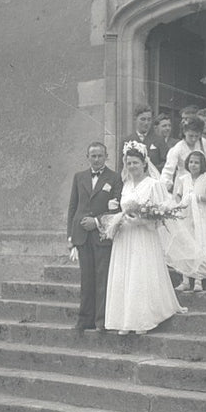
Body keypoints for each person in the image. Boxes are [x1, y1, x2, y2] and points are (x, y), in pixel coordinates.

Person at [104, 142, 184, 335]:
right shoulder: (126, 185)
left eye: (135, 163)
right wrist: (118, 215)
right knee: (126, 275)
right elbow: (124, 209)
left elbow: (161, 216)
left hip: (143, 236)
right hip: (125, 238)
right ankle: (125, 320)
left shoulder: (154, 185)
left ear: (144, 163)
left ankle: (142, 319)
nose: (132, 167)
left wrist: (141, 221)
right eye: (129, 163)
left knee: (140, 274)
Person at [66, 142, 123, 333]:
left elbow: (117, 209)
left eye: (100, 155)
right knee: (86, 278)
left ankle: (101, 321)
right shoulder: (79, 177)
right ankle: (84, 320)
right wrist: (70, 237)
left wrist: (97, 222)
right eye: (93, 156)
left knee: (102, 278)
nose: (96, 159)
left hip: (102, 234)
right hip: (82, 234)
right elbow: (73, 207)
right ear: (87, 157)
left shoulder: (114, 178)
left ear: (106, 156)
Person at [164, 151, 206, 292]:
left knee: (200, 245)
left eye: (197, 163)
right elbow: (179, 195)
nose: (193, 165)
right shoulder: (184, 179)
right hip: (186, 216)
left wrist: (198, 198)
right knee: (186, 245)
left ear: (202, 165)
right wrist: (179, 204)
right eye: (191, 162)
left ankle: (198, 279)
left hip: (201, 217)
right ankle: (185, 279)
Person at [160, 116, 206, 193]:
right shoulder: (178, 148)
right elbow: (168, 171)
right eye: (191, 136)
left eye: (197, 136)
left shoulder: (203, 143)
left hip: (201, 184)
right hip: (183, 186)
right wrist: (163, 189)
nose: (194, 139)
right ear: (184, 132)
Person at [122, 105, 171, 176]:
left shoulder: (159, 140)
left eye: (149, 119)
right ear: (135, 119)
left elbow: (166, 162)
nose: (146, 123)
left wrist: (150, 170)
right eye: (143, 119)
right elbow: (122, 166)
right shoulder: (127, 141)